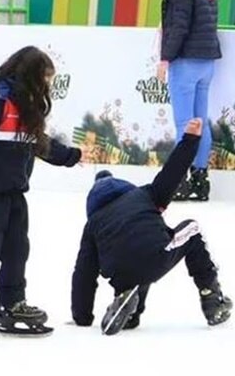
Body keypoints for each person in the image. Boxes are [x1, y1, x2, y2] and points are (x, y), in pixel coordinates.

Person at [0, 46, 82, 342]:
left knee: (17, 251)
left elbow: (39, 144)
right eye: (45, 79)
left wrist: (71, 155)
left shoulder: (26, 107)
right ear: (30, 75)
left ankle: (10, 304)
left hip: (15, 194)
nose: (47, 86)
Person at [70, 118, 231, 335]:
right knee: (191, 230)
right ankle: (212, 300)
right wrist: (190, 139)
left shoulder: (93, 225)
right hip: (154, 256)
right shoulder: (143, 195)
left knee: (131, 262)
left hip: (121, 273)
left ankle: (129, 309)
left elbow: (83, 272)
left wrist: (82, 317)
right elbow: (173, 172)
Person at [157, 0, 221, 202]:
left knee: (185, 124)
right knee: (200, 121)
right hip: (207, 62)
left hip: (186, 62)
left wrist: (164, 59)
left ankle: (180, 181)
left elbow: (178, 28)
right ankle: (200, 179)